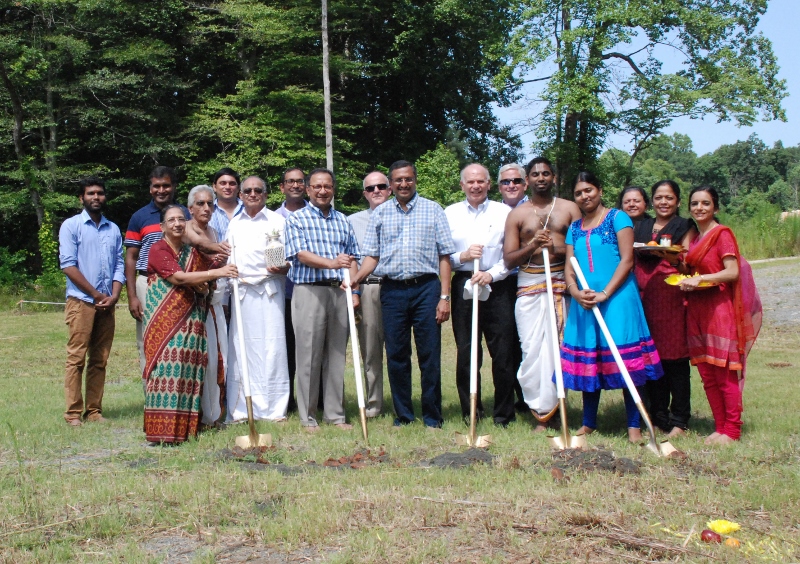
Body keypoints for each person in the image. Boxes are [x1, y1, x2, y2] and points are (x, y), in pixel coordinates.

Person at [560, 171, 663, 443]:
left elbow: (627, 260)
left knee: (626, 361)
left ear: (600, 190)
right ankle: (588, 423)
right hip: (584, 301)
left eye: (589, 190)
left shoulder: (618, 218)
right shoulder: (574, 228)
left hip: (618, 300)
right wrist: (575, 292)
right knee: (588, 361)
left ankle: (634, 426)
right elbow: (569, 266)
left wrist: (606, 293)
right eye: (579, 192)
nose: (585, 196)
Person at [353, 160, 456, 428]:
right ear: (391, 184)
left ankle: (432, 415)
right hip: (393, 291)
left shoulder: (433, 210)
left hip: (426, 289)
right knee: (397, 355)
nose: (403, 184)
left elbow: (445, 256)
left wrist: (445, 297)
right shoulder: (380, 214)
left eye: (408, 179)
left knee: (429, 354)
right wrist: (354, 280)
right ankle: (405, 415)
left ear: (415, 180)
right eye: (398, 180)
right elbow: (371, 258)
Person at [142, 205, 238, 445]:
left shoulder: (191, 252)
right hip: (165, 323)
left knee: (188, 371)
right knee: (165, 371)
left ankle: (184, 430)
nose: (176, 224)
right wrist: (216, 274)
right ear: (162, 226)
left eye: (180, 220)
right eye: (171, 220)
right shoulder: (158, 249)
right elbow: (178, 278)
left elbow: (205, 277)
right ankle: (161, 432)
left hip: (192, 320)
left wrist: (209, 278)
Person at [679, 186, 761, 445]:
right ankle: (720, 427)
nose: (699, 208)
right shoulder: (696, 238)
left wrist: (701, 278)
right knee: (707, 373)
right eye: (695, 203)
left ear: (715, 207)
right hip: (698, 310)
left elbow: (732, 271)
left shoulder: (722, 234)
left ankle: (733, 431)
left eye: (705, 203)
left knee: (724, 373)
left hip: (719, 310)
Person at [503, 158, 582, 430]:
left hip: (562, 284)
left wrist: (557, 250)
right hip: (529, 286)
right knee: (532, 351)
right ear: (527, 181)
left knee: (559, 350)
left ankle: (557, 411)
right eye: (535, 174)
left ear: (554, 178)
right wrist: (534, 246)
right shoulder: (517, 214)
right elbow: (509, 259)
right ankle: (539, 411)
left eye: (546, 173)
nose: (540, 178)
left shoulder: (570, 209)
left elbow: (583, 249)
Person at [285, 168, 360, 432]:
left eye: (327, 186)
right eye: (316, 186)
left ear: (333, 189)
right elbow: (300, 254)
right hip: (309, 291)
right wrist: (332, 264)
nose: (322, 191)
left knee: (337, 354)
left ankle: (335, 415)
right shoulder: (297, 219)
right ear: (308, 190)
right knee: (308, 355)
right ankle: (307, 417)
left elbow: (351, 258)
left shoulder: (343, 220)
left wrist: (354, 289)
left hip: (339, 292)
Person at [445, 164, 517, 426]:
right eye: (470, 182)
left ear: (489, 184)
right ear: (462, 185)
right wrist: (460, 257)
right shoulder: (449, 213)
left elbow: (511, 254)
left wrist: (492, 274)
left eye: (481, 182)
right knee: (467, 351)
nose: (475, 186)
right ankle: (471, 410)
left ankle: (503, 414)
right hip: (464, 282)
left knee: (503, 352)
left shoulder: (505, 213)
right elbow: (442, 256)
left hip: (497, 284)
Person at [58, 177, 125, 427]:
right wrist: (97, 295)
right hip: (82, 302)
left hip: (107, 303)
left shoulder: (113, 228)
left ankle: (94, 410)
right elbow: (68, 265)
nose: (95, 197)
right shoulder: (71, 226)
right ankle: (73, 413)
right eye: (90, 193)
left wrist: (115, 295)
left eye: (99, 193)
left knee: (100, 359)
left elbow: (119, 263)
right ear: (81, 198)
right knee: (77, 357)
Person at [633, 180, 698, 438]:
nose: (664, 202)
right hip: (645, 298)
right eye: (659, 197)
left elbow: (688, 264)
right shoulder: (642, 227)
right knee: (652, 358)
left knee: (676, 360)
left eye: (669, 198)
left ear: (678, 202)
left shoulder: (684, 226)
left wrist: (673, 258)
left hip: (671, 297)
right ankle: (658, 415)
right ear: (652, 201)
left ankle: (680, 419)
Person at [225, 176, 291, 422]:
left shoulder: (278, 221)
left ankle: (274, 409)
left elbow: (291, 256)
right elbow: (227, 257)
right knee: (242, 348)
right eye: (248, 191)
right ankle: (242, 408)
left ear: (266, 194)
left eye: (258, 190)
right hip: (241, 292)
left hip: (270, 290)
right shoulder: (234, 223)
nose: (253, 194)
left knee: (273, 347)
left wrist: (284, 266)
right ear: (240, 195)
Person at [125, 166, 187, 373]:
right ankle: (151, 392)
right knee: (148, 338)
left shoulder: (184, 214)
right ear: (150, 189)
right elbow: (131, 258)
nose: (162, 190)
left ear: (174, 187)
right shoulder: (139, 217)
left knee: (179, 337)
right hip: (148, 283)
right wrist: (132, 296)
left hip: (180, 283)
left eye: (166, 185)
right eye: (157, 186)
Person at [347, 171, 391, 418]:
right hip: (369, 287)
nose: (377, 191)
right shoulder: (353, 221)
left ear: (390, 189)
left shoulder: (402, 216)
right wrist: (355, 291)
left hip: (398, 286)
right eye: (371, 188)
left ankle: (402, 403)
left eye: (381, 186)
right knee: (371, 349)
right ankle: (374, 405)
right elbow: (351, 258)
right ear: (365, 193)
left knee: (398, 349)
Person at [187, 185, 228, 428]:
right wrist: (225, 249)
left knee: (217, 358)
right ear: (190, 208)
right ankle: (198, 416)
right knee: (201, 359)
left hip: (214, 302)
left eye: (210, 204)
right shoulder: (187, 228)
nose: (206, 208)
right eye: (200, 204)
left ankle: (214, 414)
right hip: (193, 305)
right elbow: (199, 245)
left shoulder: (213, 230)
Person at [274, 167, 308, 413]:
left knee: (312, 347)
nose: (295, 185)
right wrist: (279, 265)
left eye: (299, 181)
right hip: (283, 293)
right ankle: (287, 399)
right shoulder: (273, 219)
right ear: (281, 187)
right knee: (287, 348)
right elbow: (273, 256)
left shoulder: (317, 213)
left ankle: (313, 398)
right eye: (290, 182)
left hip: (312, 291)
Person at [497, 163, 529, 412]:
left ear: (525, 183)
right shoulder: (495, 212)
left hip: (531, 279)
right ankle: (518, 397)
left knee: (530, 342)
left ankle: (536, 398)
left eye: (516, 181)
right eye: (506, 182)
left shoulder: (534, 208)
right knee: (509, 344)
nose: (511, 185)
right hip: (503, 283)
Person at [208, 167, 243, 241]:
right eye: (223, 183)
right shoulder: (207, 211)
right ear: (214, 187)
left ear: (238, 188)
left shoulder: (248, 210)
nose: (227, 187)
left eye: (232, 184)